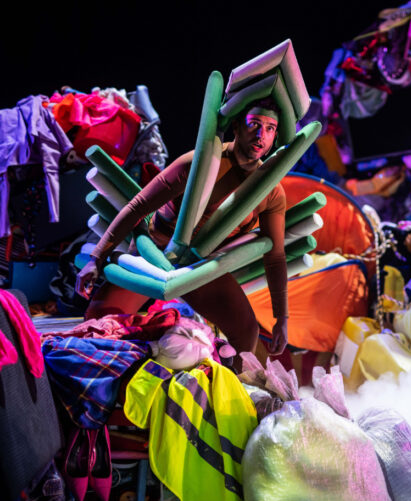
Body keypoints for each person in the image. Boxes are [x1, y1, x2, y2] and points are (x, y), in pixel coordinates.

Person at [76, 97, 289, 358]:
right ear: (236, 126)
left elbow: (275, 256)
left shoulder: (271, 191)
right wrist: (96, 259)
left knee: (246, 334)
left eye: (270, 128)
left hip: (200, 268)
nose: (260, 135)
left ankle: (220, 383)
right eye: (254, 124)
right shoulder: (197, 164)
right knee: (97, 324)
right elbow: (138, 207)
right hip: (154, 256)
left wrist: (282, 318)